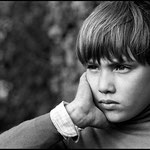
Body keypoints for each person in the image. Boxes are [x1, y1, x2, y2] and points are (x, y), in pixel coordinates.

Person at [1, 1, 150, 148]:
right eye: (93, 67)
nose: (104, 86)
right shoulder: (73, 139)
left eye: (121, 67)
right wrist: (70, 116)